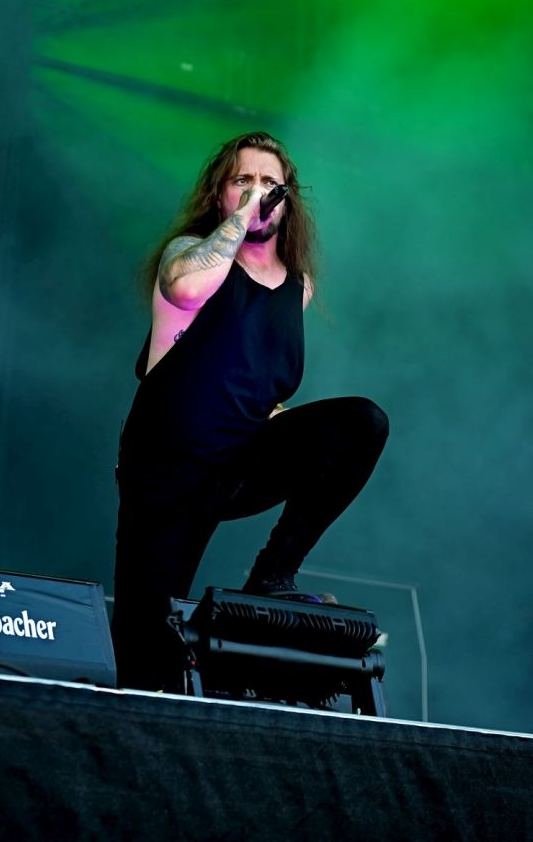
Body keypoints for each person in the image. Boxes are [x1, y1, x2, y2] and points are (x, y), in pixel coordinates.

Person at [111, 131, 388, 690]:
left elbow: (256, 369)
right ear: (219, 194)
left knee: (362, 422)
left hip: (236, 464)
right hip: (167, 472)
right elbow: (187, 293)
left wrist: (277, 417)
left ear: (288, 200)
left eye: (269, 183)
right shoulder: (188, 254)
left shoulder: (298, 287)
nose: (258, 192)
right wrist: (241, 218)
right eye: (243, 180)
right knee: (145, 651)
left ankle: (273, 574)